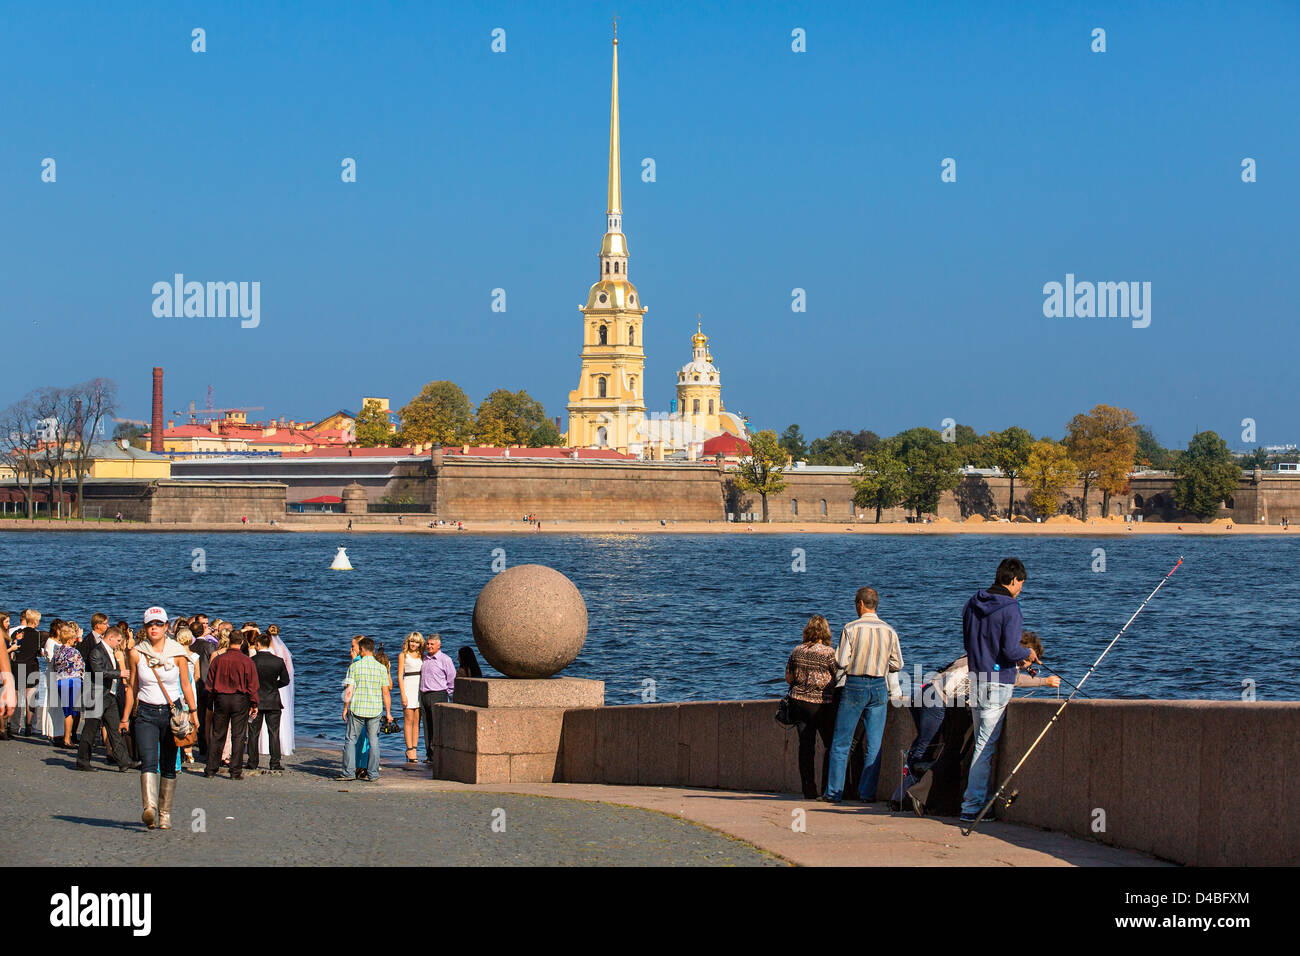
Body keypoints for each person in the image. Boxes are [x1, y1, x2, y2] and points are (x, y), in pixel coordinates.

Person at [892, 631, 1059, 810]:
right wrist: (1044, 682)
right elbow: (1012, 679)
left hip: (929, 693)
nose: (1028, 666)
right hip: (939, 697)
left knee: (928, 749)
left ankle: (906, 798)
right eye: (1029, 660)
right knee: (929, 750)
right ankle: (912, 795)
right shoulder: (997, 661)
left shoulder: (985, 653)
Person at [959, 557, 1037, 824]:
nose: (1021, 590)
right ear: (1014, 580)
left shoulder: (972, 602)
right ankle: (973, 805)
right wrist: (1028, 653)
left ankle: (973, 800)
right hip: (998, 681)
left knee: (980, 738)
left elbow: (968, 641)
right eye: (1021, 584)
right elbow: (1010, 650)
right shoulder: (1011, 608)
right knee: (985, 743)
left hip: (976, 676)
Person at [822, 587, 903, 804]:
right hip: (879, 686)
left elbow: (841, 661)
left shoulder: (851, 628)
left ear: (860, 604)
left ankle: (834, 792)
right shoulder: (889, 631)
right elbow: (897, 664)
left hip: (855, 684)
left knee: (842, 741)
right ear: (875, 604)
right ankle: (867, 793)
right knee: (874, 743)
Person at [130, 606, 197, 830]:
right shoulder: (136, 652)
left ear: (167, 627)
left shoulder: (178, 653)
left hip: (172, 714)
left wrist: (194, 712)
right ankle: (149, 808)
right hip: (146, 713)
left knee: (169, 764)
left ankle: (165, 814)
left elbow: (186, 685)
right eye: (150, 624)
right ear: (145, 627)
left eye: (159, 624)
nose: (154, 628)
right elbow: (133, 686)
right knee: (148, 761)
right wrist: (125, 716)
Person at [784, 615, 839, 800]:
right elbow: (838, 676)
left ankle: (808, 788)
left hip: (799, 703)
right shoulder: (829, 653)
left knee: (805, 747)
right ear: (825, 632)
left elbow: (789, 678)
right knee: (830, 745)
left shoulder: (796, 651)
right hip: (822, 705)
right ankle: (827, 787)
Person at [76, 624, 133, 772]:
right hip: (95, 695)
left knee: (114, 729)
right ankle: (83, 761)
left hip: (109, 695)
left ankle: (124, 760)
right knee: (91, 729)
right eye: (118, 640)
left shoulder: (110, 652)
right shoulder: (96, 651)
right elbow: (98, 672)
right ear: (111, 637)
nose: (119, 644)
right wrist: (119, 674)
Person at [204, 629, 259, 779]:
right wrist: (254, 704)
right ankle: (235, 771)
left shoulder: (219, 660)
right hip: (240, 699)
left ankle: (211, 769)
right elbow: (252, 685)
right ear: (242, 642)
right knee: (238, 735)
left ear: (229, 641)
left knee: (217, 734)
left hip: (221, 698)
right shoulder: (247, 661)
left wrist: (211, 700)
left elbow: (209, 684)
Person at [339, 637, 390, 782]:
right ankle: (373, 773)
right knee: (374, 742)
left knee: (350, 740)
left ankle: (348, 772)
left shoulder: (355, 667)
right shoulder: (381, 668)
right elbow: (386, 692)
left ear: (361, 649)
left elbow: (349, 690)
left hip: (357, 709)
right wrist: (389, 712)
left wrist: (345, 708)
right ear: (372, 650)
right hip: (375, 709)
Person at [246, 632, 290, 772]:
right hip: (273, 700)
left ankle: (253, 761)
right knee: (274, 732)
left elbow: (247, 682)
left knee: (253, 732)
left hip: (256, 701)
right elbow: (285, 680)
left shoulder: (251, 661)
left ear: (258, 645)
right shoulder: (278, 661)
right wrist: (273, 685)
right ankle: (275, 761)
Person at [418, 634, 456, 763]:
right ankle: (429, 755)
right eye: (427, 644)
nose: (428, 646)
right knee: (427, 725)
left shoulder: (445, 659)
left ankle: (438, 754)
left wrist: (447, 693)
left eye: (431, 644)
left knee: (437, 725)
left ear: (438, 645)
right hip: (424, 695)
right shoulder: (424, 659)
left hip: (438, 694)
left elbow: (452, 679)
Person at [7, 609, 43, 737]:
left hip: (17, 667)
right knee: (30, 699)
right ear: (35, 621)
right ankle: (29, 726)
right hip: (31, 666)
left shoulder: (16, 632)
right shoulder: (38, 635)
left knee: (15, 698)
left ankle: (12, 725)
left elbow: (12, 649)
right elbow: (40, 652)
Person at [51, 623, 85, 748]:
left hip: (60, 681)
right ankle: (67, 738)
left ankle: (66, 737)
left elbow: (55, 667)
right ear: (71, 639)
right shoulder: (75, 652)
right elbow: (81, 667)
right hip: (73, 681)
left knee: (67, 710)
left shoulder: (57, 651)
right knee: (71, 711)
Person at [397, 632, 425, 763]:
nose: (414, 644)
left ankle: (414, 747)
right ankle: (409, 749)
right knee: (408, 720)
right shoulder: (403, 655)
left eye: (416, 642)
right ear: (408, 642)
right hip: (408, 687)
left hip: (419, 688)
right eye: (412, 641)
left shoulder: (422, 656)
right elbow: (399, 676)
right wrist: (403, 694)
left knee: (417, 720)